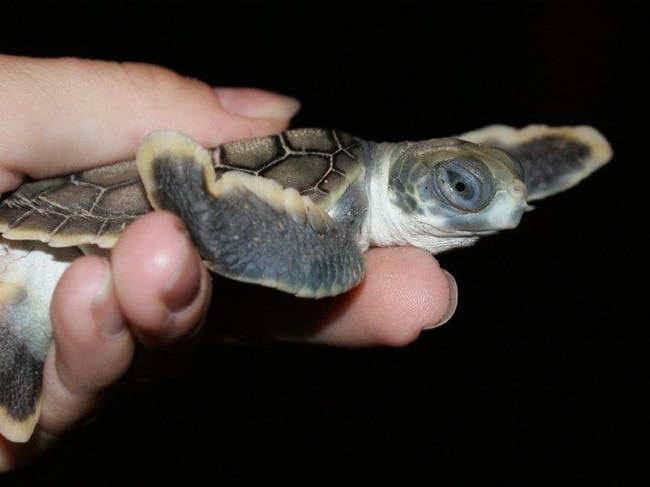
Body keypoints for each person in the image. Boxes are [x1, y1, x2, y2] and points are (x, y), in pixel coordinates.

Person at [0, 54, 457, 471]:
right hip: (67, 224)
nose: (499, 210)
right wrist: (201, 206)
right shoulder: (340, 240)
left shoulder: (349, 172)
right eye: (458, 188)